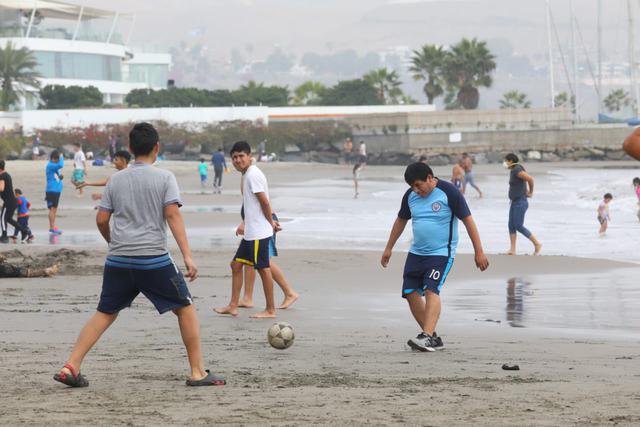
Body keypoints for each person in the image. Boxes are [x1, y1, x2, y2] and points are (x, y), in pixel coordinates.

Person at [53, 122, 225, 388]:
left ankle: (71, 365)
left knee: (105, 312)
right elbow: (172, 215)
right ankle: (197, 372)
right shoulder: (165, 178)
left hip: (118, 260)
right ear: (157, 147)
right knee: (186, 308)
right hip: (153, 259)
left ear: (131, 149)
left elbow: (101, 219)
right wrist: (188, 256)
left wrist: (113, 242)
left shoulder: (115, 180)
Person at [381, 162, 489, 352]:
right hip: (416, 253)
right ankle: (432, 336)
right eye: (411, 187)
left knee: (432, 290)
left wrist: (478, 251)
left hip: (440, 254)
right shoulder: (410, 196)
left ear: (430, 178)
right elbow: (400, 220)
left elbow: (468, 221)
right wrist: (388, 248)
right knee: (409, 292)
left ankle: (427, 336)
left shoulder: (449, 193)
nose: (415, 190)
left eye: (418, 185)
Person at [214, 141, 280, 318]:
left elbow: (264, 201)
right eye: (234, 157)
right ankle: (233, 306)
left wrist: (271, 222)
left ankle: (270, 309)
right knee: (236, 265)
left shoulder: (252, 175)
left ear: (249, 156)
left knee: (263, 269)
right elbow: (252, 205)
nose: (237, 160)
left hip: (259, 233)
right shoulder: (248, 174)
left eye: (241, 156)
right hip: (252, 232)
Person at [236, 209, 299, 310]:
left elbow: (262, 201)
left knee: (262, 259)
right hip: (259, 219)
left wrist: (245, 222)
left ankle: (289, 293)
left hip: (263, 220)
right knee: (250, 257)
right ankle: (247, 298)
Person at [504, 153, 542, 255]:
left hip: (520, 202)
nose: (505, 163)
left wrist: (531, 192)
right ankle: (512, 250)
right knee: (511, 225)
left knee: (518, 225)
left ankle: (537, 244)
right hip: (514, 202)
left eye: (506, 161)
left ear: (511, 161)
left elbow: (530, 179)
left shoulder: (517, 169)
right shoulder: (513, 170)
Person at [0, 161, 27, 243]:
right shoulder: (7, 175)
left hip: (9, 202)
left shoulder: (2, 176)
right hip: (12, 201)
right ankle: (23, 231)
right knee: (8, 219)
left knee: (2, 218)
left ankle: (4, 236)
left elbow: (1, 188)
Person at [45, 150, 64, 235]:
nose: (58, 161)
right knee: (53, 209)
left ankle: (52, 227)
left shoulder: (53, 165)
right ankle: (52, 228)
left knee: (53, 210)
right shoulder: (51, 165)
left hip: (54, 190)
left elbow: (56, 176)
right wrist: (62, 156)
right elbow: (61, 165)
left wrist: (60, 177)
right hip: (53, 190)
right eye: (57, 159)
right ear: (53, 158)